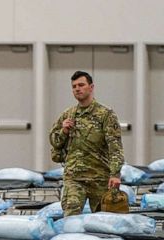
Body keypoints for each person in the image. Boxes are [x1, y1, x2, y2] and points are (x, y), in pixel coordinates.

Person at [49, 70, 125, 216]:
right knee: (70, 218)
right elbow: (54, 142)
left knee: (104, 222)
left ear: (91, 87)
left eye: (81, 85)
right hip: (74, 178)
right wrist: (63, 131)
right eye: (74, 86)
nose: (77, 89)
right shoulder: (68, 114)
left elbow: (115, 146)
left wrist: (115, 174)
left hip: (99, 177)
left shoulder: (105, 114)